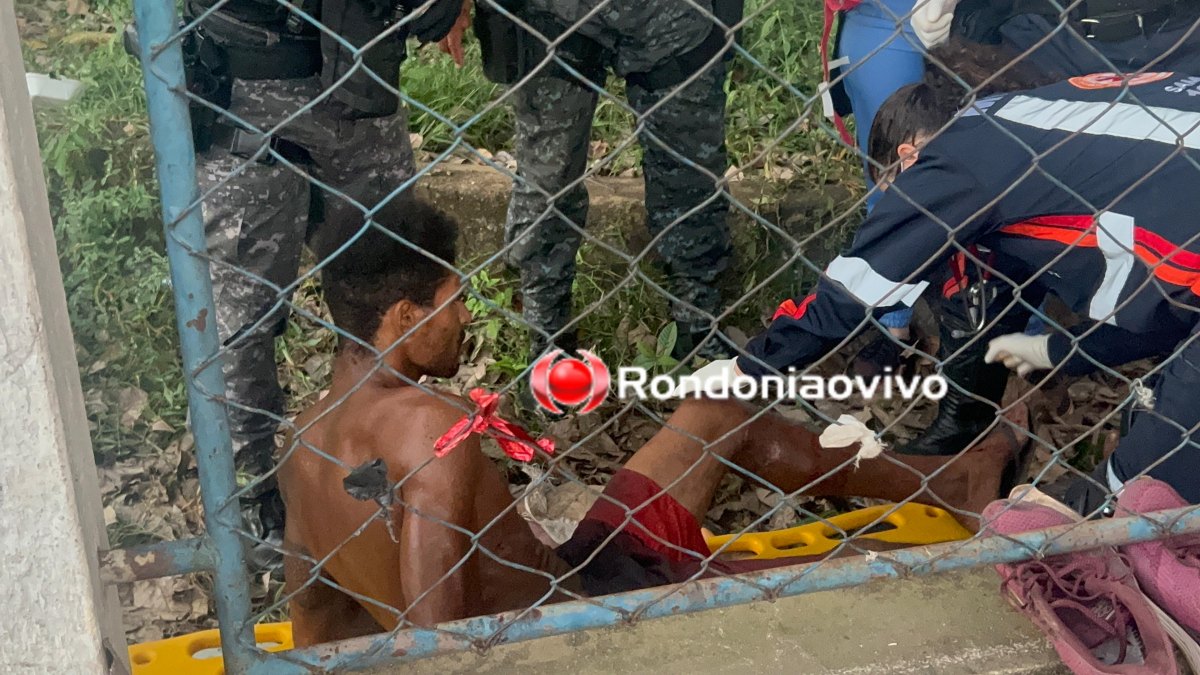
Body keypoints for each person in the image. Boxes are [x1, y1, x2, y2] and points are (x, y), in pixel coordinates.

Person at [277, 195, 1023, 646]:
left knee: (718, 410)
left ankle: (951, 479)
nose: (465, 317)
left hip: (579, 570)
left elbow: (314, 616)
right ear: (404, 316)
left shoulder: (304, 442)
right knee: (842, 575)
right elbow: (439, 646)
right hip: (593, 627)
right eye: (453, 301)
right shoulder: (427, 433)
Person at [691, 67, 1200, 514]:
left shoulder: (949, 164)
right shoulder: (1011, 119)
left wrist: (748, 367)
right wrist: (1055, 350)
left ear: (908, 159)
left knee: (1137, 483)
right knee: (1159, 424)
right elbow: (1168, 314)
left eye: (894, 194)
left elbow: (855, 288)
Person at [157, 0, 463, 565]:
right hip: (249, 87)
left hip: (360, 79)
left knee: (393, 295)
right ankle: (253, 505)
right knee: (240, 321)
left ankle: (394, 456)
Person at [465, 0, 744, 366]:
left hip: (673, 15)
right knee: (549, 180)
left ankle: (697, 327)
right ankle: (546, 341)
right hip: (551, 13)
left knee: (690, 168)